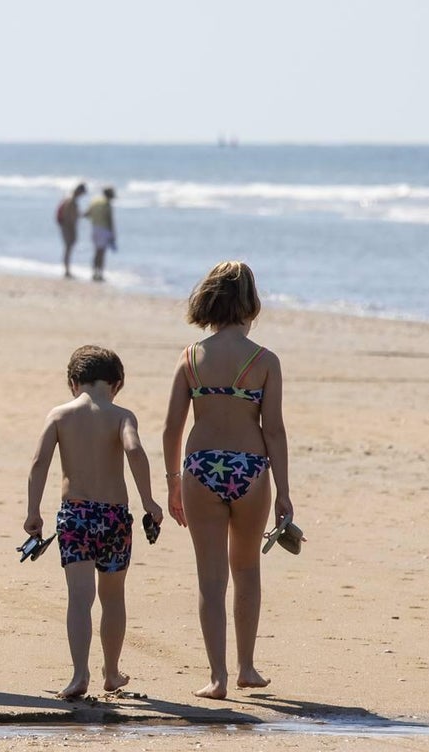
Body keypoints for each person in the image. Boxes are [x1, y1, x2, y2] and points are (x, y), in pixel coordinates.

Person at [161, 260, 293, 699]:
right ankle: (247, 668)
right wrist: (285, 493)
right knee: (247, 569)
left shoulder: (190, 358)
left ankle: (216, 677)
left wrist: (172, 481)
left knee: (210, 578)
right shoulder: (264, 361)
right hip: (251, 469)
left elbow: (171, 428)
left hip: (201, 467)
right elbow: (273, 429)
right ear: (251, 303)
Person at [24, 345, 163, 699]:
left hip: (76, 515)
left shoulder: (59, 415)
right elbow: (134, 450)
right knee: (113, 597)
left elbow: (39, 463)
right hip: (115, 517)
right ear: (117, 383)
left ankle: (78, 674)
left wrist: (33, 511)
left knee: (79, 598)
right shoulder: (122, 416)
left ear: (73, 382)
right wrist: (148, 500)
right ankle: (113, 672)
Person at [84, 186, 116, 282]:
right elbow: (110, 221)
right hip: (104, 230)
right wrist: (113, 234)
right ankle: (100, 274)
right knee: (101, 253)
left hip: (94, 229)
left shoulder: (95, 201)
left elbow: (87, 214)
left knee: (96, 252)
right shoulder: (107, 204)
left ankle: (94, 273)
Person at [56, 182, 87, 278]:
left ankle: (67, 270)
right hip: (68, 227)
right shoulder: (71, 200)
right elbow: (69, 216)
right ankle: (66, 270)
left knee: (68, 248)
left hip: (67, 226)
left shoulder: (70, 198)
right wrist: (72, 229)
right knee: (68, 248)